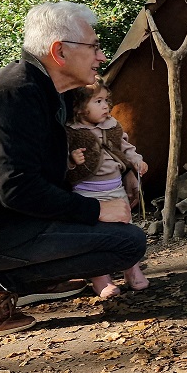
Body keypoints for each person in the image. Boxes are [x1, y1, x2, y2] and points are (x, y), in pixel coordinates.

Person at [0, 2, 148, 335]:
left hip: (7, 216)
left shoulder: (51, 92)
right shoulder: (12, 97)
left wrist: (126, 168)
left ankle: (35, 272)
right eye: (94, 47)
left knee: (118, 237)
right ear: (59, 51)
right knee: (126, 244)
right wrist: (95, 209)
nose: (101, 56)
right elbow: (18, 189)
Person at [67, 78, 149, 298]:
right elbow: (59, 163)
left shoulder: (112, 126)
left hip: (116, 189)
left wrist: (136, 161)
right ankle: (100, 278)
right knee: (94, 234)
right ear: (79, 107)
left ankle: (131, 268)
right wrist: (72, 160)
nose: (106, 106)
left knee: (125, 226)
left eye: (106, 100)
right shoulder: (72, 132)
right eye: (98, 101)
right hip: (87, 192)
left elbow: (125, 147)